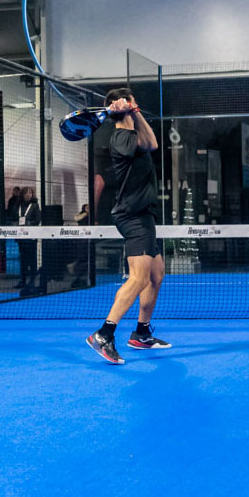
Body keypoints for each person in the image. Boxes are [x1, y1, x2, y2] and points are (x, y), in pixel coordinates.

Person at [86, 88, 171, 365]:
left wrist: (134, 111)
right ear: (123, 107)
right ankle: (103, 334)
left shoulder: (132, 134)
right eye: (133, 103)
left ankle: (142, 334)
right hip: (132, 216)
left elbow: (149, 142)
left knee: (156, 274)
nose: (137, 106)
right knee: (138, 278)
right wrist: (131, 111)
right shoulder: (122, 137)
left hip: (144, 216)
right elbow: (150, 143)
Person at [15, 186, 41, 288]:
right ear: (22, 195)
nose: (28, 195)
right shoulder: (18, 206)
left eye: (30, 193)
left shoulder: (35, 206)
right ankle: (23, 281)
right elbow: (12, 217)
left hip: (31, 237)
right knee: (23, 260)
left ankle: (32, 281)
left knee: (32, 259)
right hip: (21, 237)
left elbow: (37, 220)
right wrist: (16, 224)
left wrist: (28, 224)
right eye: (26, 193)